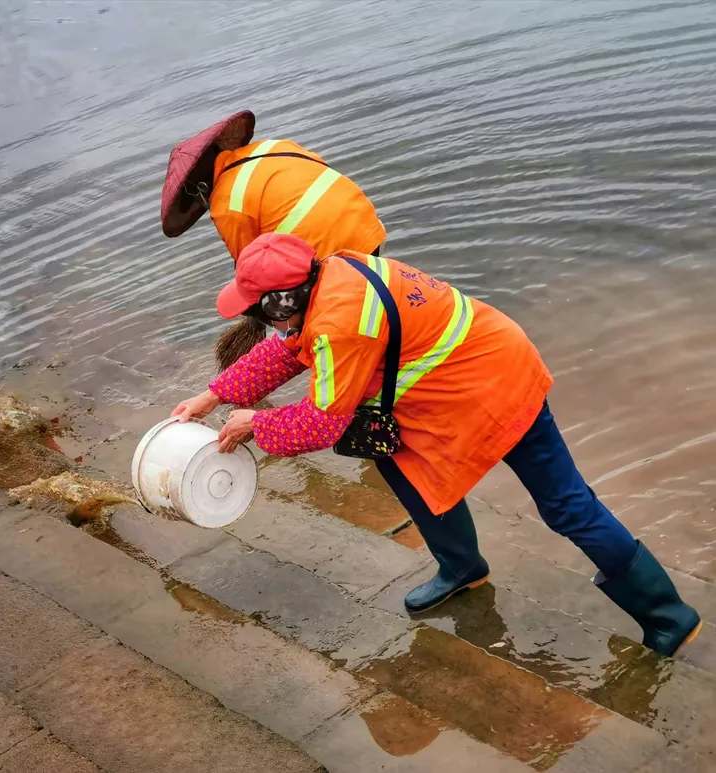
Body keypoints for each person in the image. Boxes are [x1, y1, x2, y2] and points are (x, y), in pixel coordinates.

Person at [170, 232, 702, 658]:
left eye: (259, 311)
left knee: (565, 506)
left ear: (286, 298)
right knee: (403, 466)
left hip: (497, 387)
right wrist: (211, 395)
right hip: (475, 369)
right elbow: (291, 350)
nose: (259, 322)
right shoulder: (338, 267)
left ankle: (668, 616)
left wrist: (252, 425)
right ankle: (462, 568)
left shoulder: (340, 324)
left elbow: (320, 424)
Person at [160, 110, 386, 368]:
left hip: (329, 258)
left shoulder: (227, 205)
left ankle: (339, 382)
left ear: (199, 188)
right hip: (366, 228)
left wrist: (259, 318)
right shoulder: (274, 147)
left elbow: (254, 270)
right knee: (364, 319)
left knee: (319, 336)